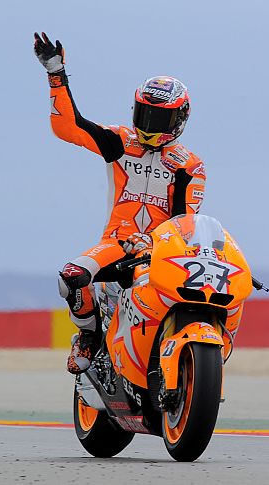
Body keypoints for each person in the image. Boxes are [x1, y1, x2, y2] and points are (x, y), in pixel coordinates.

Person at [33, 32, 207, 374]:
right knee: (71, 277)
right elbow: (68, 127)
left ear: (180, 120)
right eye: (144, 113)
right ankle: (88, 334)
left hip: (162, 253)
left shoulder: (190, 165)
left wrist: (152, 243)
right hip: (116, 244)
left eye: (160, 118)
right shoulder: (120, 142)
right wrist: (56, 73)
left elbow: (185, 223)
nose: (149, 124)